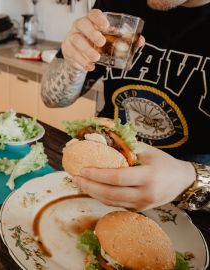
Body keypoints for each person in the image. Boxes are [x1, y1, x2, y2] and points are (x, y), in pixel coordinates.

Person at [41, 0, 210, 211]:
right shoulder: (116, 5)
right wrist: (75, 62)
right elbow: (52, 98)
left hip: (190, 205)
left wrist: (190, 178)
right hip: (96, 181)